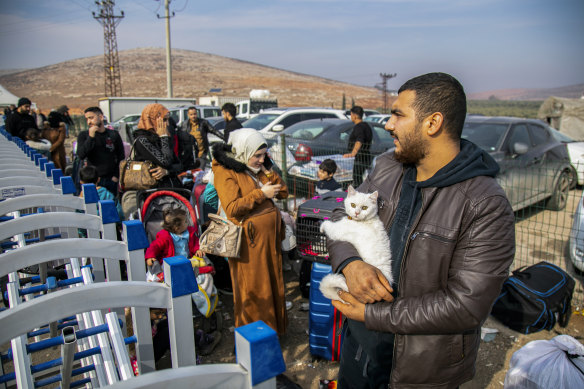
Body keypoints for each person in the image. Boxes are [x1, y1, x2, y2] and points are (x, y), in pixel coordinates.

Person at [328, 72, 516, 389]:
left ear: (433, 123)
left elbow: (466, 306)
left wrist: (374, 316)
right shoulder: (389, 166)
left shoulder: (484, 203)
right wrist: (351, 264)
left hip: (418, 371)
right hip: (358, 350)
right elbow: (340, 215)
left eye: (398, 114)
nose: (388, 125)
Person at [211, 128, 289, 335]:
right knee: (253, 289)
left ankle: (272, 333)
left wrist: (270, 170)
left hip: (266, 242)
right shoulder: (225, 171)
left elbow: (283, 192)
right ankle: (255, 337)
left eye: (265, 155)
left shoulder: (258, 168)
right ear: (243, 152)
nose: (262, 159)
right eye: (258, 155)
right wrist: (261, 194)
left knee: (270, 284)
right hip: (248, 243)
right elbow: (233, 208)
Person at [77, 107, 125, 196]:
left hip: (110, 179)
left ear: (101, 117)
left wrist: (116, 176)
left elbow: (121, 156)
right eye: (87, 119)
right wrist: (91, 138)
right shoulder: (84, 135)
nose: (89, 122)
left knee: (110, 206)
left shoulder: (113, 134)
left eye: (91, 118)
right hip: (92, 180)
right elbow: (81, 155)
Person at [343, 105, 372, 187]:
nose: (351, 117)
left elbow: (359, 141)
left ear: (355, 116)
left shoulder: (359, 127)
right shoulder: (367, 126)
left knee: (357, 180)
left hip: (360, 159)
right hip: (365, 157)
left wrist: (353, 154)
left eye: (351, 115)